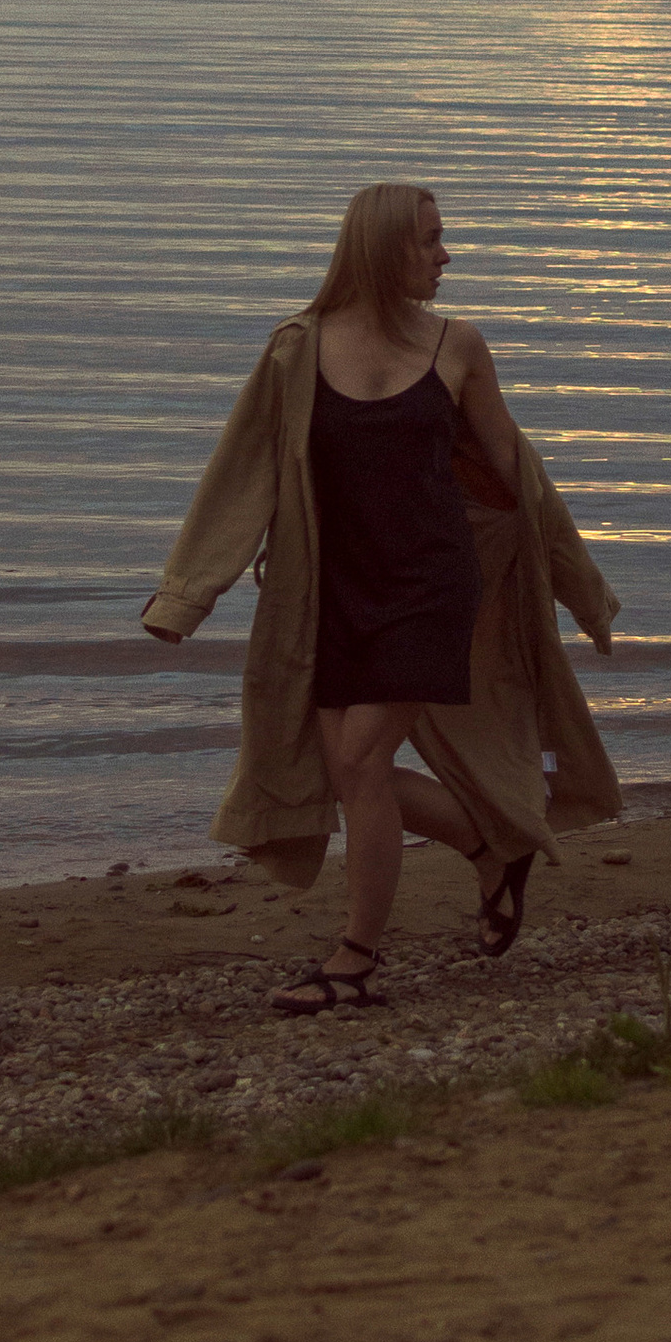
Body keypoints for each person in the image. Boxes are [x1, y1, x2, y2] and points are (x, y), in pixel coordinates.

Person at [140, 181, 622, 1014]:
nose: (446, 255)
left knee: (359, 760)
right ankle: (489, 847)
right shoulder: (297, 349)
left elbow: (520, 475)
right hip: (331, 592)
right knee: (344, 770)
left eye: (443, 239)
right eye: (431, 240)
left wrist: (582, 588)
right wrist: (187, 594)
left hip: (434, 586)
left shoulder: (457, 346)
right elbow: (242, 473)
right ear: (382, 248)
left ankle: (354, 960)